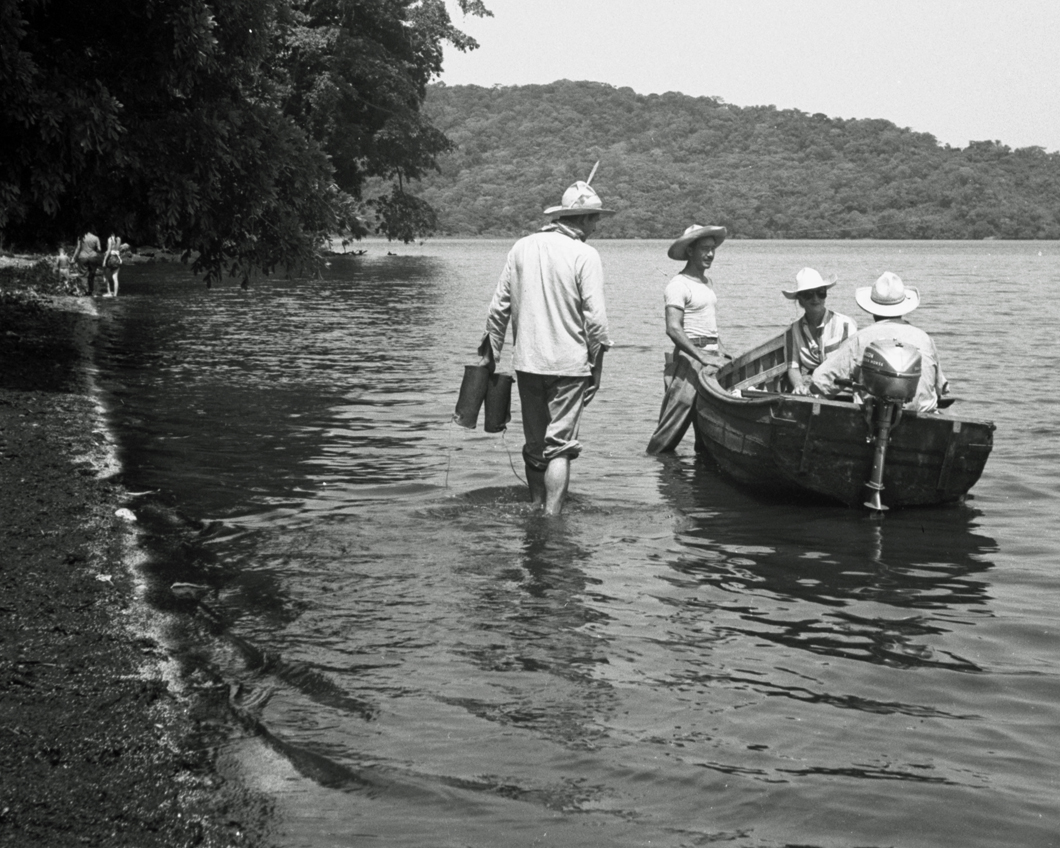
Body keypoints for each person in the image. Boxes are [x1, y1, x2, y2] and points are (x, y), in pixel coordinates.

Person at [478, 178, 614, 515]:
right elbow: (595, 321)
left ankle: (535, 507)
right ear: (580, 219)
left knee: (536, 444)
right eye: (594, 218)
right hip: (569, 367)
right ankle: (552, 519)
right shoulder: (586, 255)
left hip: (528, 362)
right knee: (561, 448)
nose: (596, 225)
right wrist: (597, 368)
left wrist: (491, 357)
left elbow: (498, 309)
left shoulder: (521, 248)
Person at [807, 272, 949, 412]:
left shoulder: (859, 339)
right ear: (903, 307)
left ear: (872, 309)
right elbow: (940, 388)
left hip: (873, 422)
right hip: (924, 422)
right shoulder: (924, 338)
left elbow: (819, 382)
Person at [646, 223, 728, 454]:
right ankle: (656, 464)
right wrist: (702, 356)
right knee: (674, 420)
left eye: (713, 248)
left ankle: (702, 475)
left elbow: (709, 324)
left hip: (711, 357)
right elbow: (673, 329)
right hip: (690, 360)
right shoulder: (678, 284)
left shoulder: (707, 283)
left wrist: (722, 352)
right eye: (704, 248)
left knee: (707, 423)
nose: (710, 254)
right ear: (690, 251)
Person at [782, 267, 858, 392]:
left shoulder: (845, 325)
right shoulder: (792, 332)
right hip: (813, 391)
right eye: (809, 294)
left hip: (843, 390)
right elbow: (793, 367)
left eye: (821, 292)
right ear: (800, 299)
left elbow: (851, 367)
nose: (815, 298)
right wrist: (798, 385)